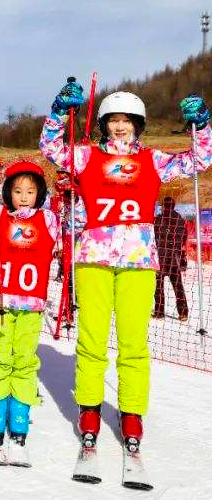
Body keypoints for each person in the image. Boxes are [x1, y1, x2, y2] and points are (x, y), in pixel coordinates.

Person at [40, 83, 212, 456]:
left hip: (138, 261)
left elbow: (199, 161)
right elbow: (51, 149)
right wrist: (58, 111)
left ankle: (132, 412)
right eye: (113, 120)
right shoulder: (86, 157)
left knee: (134, 344)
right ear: (104, 124)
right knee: (92, 341)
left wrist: (203, 123)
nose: (120, 127)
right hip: (94, 259)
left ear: (138, 125)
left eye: (127, 121)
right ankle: (89, 407)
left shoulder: (152, 159)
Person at [0, 157, 58, 465]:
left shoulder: (48, 220)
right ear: (8, 193)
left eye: (30, 192)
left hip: (31, 305)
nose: (23, 197)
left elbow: (77, 219)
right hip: (1, 301)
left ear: (39, 194)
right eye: (17, 190)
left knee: (24, 361)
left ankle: (18, 424)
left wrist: (71, 192)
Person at [153, 197, 189, 321]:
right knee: (178, 286)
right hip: (174, 257)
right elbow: (184, 237)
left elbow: (154, 236)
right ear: (173, 206)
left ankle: (159, 312)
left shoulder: (158, 219)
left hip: (161, 257)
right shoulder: (180, 219)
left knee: (159, 286)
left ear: (164, 206)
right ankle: (183, 313)